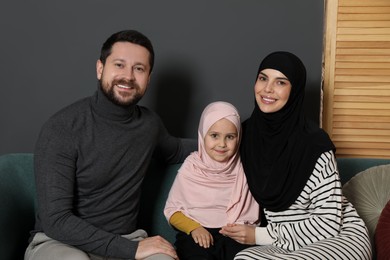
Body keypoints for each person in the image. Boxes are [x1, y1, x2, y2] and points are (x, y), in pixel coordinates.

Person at [24, 30, 196, 260]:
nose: (128, 76)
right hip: (59, 243)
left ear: (148, 77)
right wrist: (131, 250)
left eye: (139, 68)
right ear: (100, 68)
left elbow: (177, 150)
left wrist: (240, 138)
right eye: (119, 65)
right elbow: (56, 220)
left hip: (126, 239)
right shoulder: (62, 127)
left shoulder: (149, 125)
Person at [219, 51, 372, 259]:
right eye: (263, 78)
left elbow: (328, 223)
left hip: (338, 237)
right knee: (243, 259)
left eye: (280, 82)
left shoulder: (315, 144)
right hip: (284, 243)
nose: (268, 89)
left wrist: (258, 235)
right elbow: (210, 160)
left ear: (295, 90)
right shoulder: (245, 136)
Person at [164, 101, 260, 260]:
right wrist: (194, 228)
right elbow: (172, 211)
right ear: (202, 135)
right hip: (196, 232)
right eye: (214, 135)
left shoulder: (244, 168)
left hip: (233, 233)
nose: (222, 144)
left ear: (239, 138)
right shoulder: (192, 166)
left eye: (230, 137)